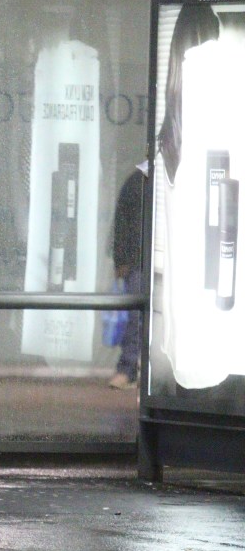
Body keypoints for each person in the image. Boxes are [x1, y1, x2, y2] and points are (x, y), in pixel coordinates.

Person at [108, 165, 145, 390]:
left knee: (137, 317)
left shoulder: (137, 181)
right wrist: (121, 260)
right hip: (138, 262)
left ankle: (131, 369)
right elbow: (122, 222)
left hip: (150, 261)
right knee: (134, 317)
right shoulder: (136, 182)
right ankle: (128, 369)